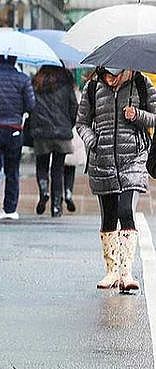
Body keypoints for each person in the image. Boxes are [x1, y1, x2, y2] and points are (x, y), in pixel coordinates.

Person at [76, 67, 156, 291]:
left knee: (125, 210)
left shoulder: (140, 83)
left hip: (134, 158)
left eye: (116, 76)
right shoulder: (92, 87)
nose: (112, 81)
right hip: (102, 160)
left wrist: (137, 115)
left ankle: (126, 272)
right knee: (109, 215)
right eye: (108, 76)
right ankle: (111, 271)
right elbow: (81, 122)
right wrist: (93, 141)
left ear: (126, 69)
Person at [0, 55, 36, 218]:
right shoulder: (23, 79)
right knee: (12, 169)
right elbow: (31, 105)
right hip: (14, 129)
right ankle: (10, 208)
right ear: (15, 59)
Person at [26, 66, 78, 217]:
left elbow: (30, 106)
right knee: (58, 170)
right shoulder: (66, 85)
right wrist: (68, 125)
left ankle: (43, 192)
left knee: (41, 166)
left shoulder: (36, 83)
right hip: (62, 133)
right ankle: (56, 207)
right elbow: (74, 108)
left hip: (41, 133)